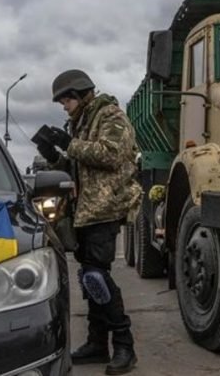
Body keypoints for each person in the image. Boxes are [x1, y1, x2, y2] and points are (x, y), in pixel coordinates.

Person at [35, 69, 141, 375]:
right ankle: (97, 344)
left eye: (65, 101)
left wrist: (69, 143)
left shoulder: (110, 115)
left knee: (97, 277)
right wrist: (52, 154)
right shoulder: (81, 122)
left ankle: (125, 345)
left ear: (79, 95)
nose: (64, 107)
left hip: (105, 207)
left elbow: (111, 155)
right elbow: (77, 167)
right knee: (90, 278)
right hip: (85, 210)